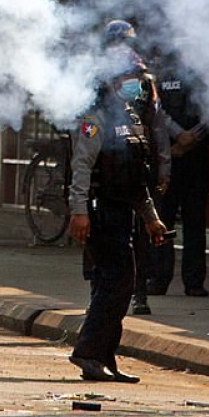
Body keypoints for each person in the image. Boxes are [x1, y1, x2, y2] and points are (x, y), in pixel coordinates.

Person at [67, 58, 169, 383]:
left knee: (120, 284)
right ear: (113, 80)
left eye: (138, 78)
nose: (136, 83)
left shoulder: (132, 117)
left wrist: (151, 219)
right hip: (101, 211)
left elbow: (137, 177)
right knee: (115, 281)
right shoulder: (94, 120)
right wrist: (79, 211)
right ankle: (88, 352)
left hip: (123, 212)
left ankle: (104, 356)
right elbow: (81, 168)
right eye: (129, 77)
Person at [148, 58, 209, 298]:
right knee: (163, 220)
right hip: (169, 156)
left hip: (195, 157)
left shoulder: (203, 71)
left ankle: (194, 281)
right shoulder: (161, 72)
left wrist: (191, 139)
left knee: (195, 222)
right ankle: (158, 278)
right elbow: (156, 111)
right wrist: (177, 136)